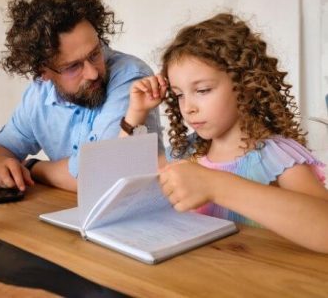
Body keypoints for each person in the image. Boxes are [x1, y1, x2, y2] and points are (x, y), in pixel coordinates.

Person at [121, 13, 328, 252]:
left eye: (203, 90)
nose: (188, 107)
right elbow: (124, 181)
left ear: (245, 85)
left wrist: (216, 186)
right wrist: (136, 113)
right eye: (179, 95)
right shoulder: (186, 152)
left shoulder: (276, 157)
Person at [0, 0, 164, 193]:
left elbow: (101, 177)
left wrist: (33, 167)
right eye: (73, 66)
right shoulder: (39, 92)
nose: (93, 73)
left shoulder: (131, 77)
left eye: (95, 53)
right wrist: (1, 164)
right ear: (44, 72)